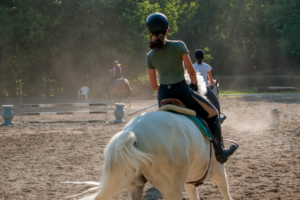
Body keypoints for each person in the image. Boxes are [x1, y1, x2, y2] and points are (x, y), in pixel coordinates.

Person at [146, 13, 238, 164]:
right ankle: (220, 152)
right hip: (182, 91)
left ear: (150, 33)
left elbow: (154, 86)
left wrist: (165, 91)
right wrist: (193, 85)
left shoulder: (149, 56)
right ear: (167, 30)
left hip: (163, 96)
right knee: (214, 113)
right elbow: (191, 72)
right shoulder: (179, 45)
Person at [193, 49, 226, 123]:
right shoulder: (207, 67)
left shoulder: (192, 67)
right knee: (216, 101)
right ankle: (218, 118)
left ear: (195, 58)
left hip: (195, 89)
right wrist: (211, 85)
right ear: (203, 57)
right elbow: (211, 81)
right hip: (204, 88)